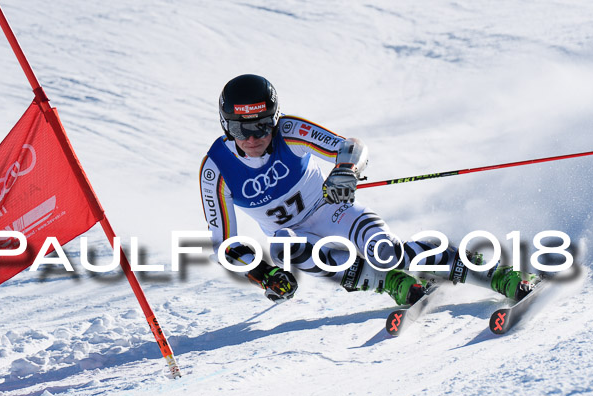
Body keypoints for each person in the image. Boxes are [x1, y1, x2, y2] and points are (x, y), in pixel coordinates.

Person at [199, 74, 535, 305]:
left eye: (261, 126)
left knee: (386, 253)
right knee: (290, 245)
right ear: (225, 125)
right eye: (241, 129)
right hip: (295, 237)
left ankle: (492, 274)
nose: (253, 138)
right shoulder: (217, 170)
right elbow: (223, 245)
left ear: (274, 119)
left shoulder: (290, 131)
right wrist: (264, 274)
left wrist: (346, 171)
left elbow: (350, 146)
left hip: (333, 209)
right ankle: (392, 283)